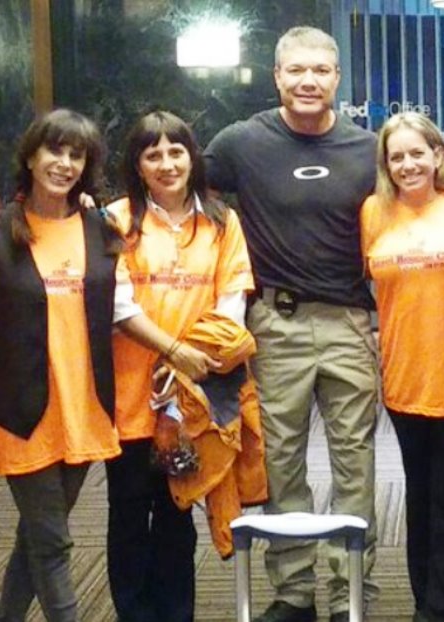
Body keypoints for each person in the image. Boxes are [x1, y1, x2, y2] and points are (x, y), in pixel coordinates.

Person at [0, 109, 191, 622]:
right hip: (24, 409)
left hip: (85, 405)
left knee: (36, 535)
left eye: (76, 154)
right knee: (53, 543)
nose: (65, 163)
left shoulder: (98, 227)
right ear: (30, 156)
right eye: (55, 150)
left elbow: (120, 307)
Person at [203, 26, 379, 622]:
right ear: (277, 75)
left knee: (355, 461)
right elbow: (175, 188)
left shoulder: (366, 148)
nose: (309, 81)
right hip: (274, 324)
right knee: (281, 459)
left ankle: (349, 588)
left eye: (321, 71)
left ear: (336, 78)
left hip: (351, 322)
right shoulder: (240, 143)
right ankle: (296, 592)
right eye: (296, 70)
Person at [104, 110, 254, 622]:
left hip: (192, 395)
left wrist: (190, 363)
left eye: (176, 152)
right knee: (128, 512)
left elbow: (232, 300)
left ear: (193, 157)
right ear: (137, 165)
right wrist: (174, 351)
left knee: (177, 509)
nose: (167, 164)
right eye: (153, 155)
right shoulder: (116, 219)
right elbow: (118, 304)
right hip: (129, 396)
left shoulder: (220, 220)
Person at [358, 112, 444, 622]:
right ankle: (425, 605)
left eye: (418, 153)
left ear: (438, 155)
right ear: (385, 166)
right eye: (397, 157)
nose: (408, 164)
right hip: (404, 379)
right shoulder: (373, 212)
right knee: (420, 498)